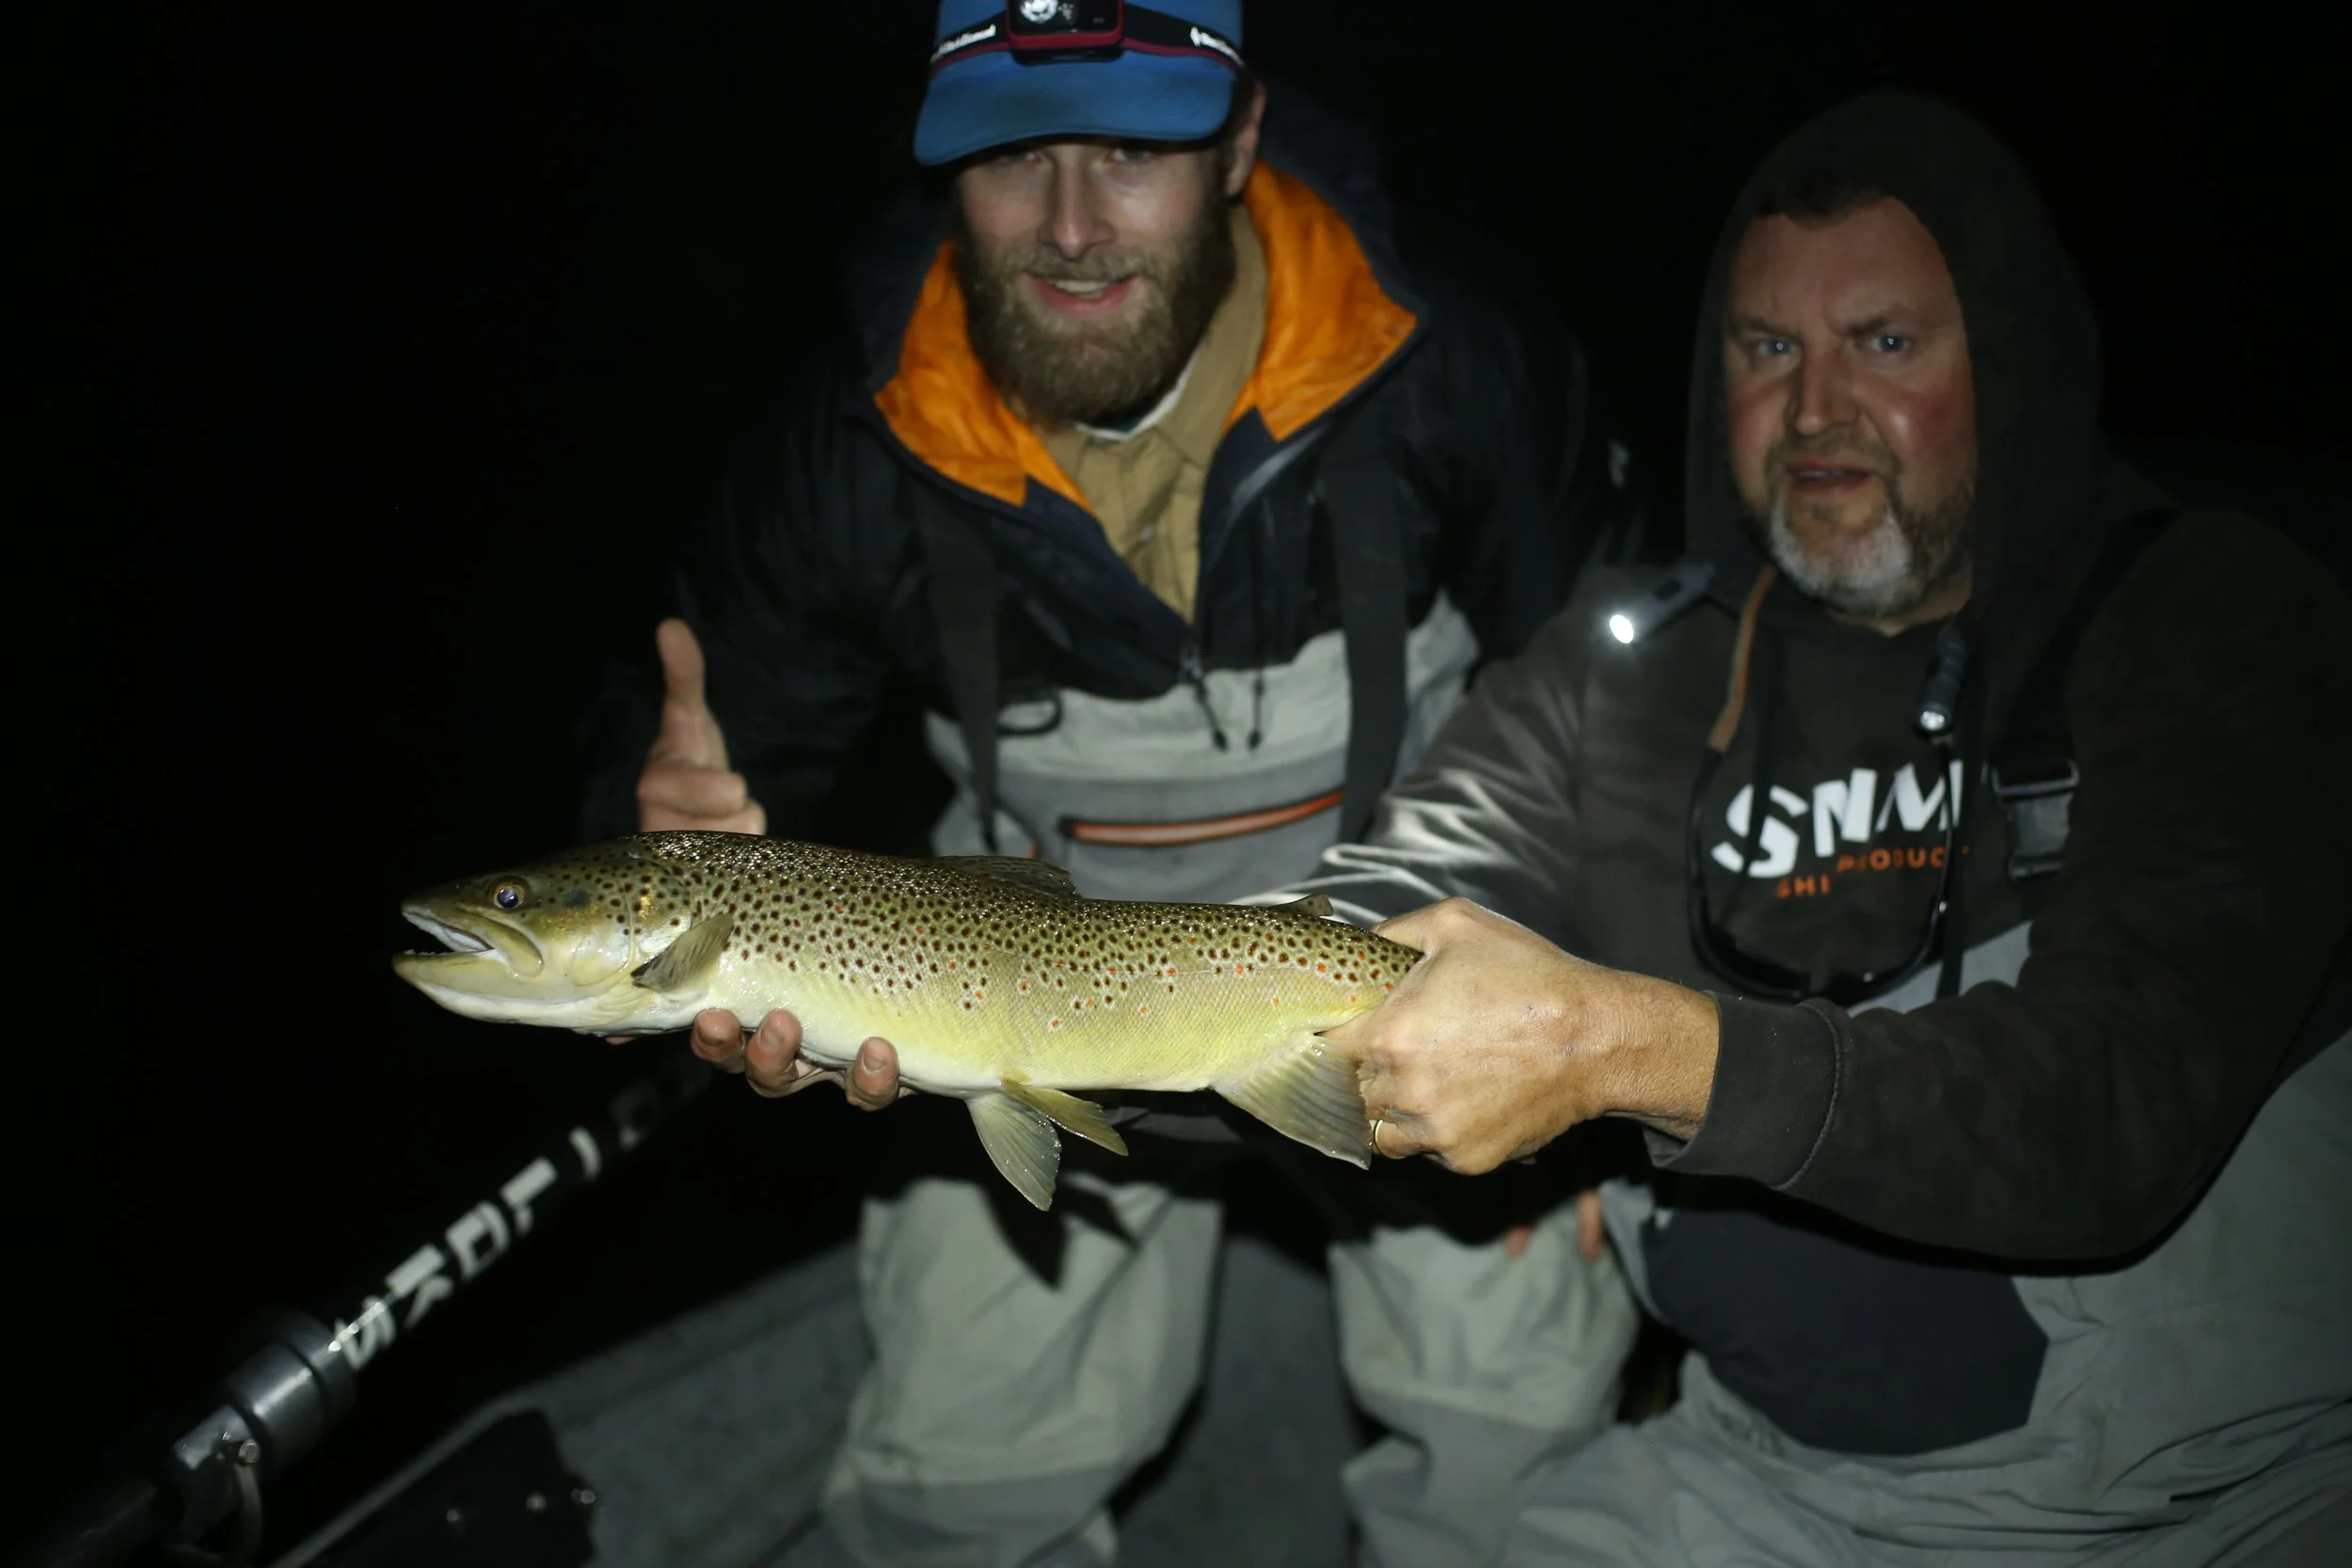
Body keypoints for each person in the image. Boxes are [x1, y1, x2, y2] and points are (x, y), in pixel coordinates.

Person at [766, 89, 2352, 1563]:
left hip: (2202, 1481)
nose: (1818, 409)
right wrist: (963, 1005)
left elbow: (2109, 1110)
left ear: (2005, 357)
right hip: (1750, 1480)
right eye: (1761, 348)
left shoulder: (2211, 620)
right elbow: (1399, 888)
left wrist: (1626, 1051)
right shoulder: (1636, 672)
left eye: (1883, 340)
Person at [610, 3, 1644, 1563]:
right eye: (1016, 156)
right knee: (951, 1496)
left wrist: (1603, 1019)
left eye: (1136, 152)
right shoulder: (847, 441)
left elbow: (1622, 689)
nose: (1074, 226)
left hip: (1415, 988)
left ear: (1239, 144)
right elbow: (677, 779)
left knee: (1519, 1465)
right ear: (939, 173)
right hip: (1004, 1027)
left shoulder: (1451, 359)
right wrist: (641, 809)